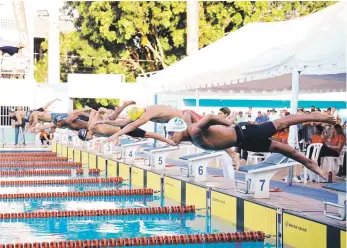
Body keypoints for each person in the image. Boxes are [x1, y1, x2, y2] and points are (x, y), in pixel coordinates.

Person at [166, 111, 336, 179]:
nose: (170, 138)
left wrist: (227, 123)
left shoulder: (195, 131)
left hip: (245, 131)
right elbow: (187, 114)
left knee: (282, 122)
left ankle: (321, 117)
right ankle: (313, 166)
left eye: (171, 133)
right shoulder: (191, 135)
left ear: (179, 128)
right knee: (284, 149)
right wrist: (233, 154)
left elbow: (210, 117)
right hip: (244, 142)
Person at [103, 105, 202, 143]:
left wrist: (114, 136)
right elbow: (125, 122)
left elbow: (131, 125)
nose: (136, 120)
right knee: (174, 140)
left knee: (176, 140)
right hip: (179, 122)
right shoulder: (142, 111)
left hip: (187, 116)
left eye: (137, 119)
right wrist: (109, 122)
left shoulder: (147, 115)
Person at [78, 109, 176, 145]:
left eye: (86, 139)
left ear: (85, 134)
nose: (88, 140)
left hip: (124, 128)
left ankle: (169, 141)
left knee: (149, 135)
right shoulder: (94, 131)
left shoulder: (92, 127)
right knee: (144, 130)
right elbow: (95, 112)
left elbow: (97, 110)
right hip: (123, 129)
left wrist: (106, 113)